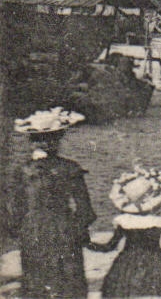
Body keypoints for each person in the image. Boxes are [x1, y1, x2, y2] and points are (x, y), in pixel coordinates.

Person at [4, 108, 94, 299]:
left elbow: (12, 211)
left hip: (34, 231)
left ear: (32, 142)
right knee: (68, 282)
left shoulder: (23, 171)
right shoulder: (70, 168)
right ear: (59, 139)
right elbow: (85, 210)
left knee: (36, 282)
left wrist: (20, 229)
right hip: (63, 229)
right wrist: (77, 228)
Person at [87, 166, 161, 299]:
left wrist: (87, 243)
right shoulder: (159, 222)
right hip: (155, 262)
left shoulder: (125, 222)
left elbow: (109, 246)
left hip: (127, 262)